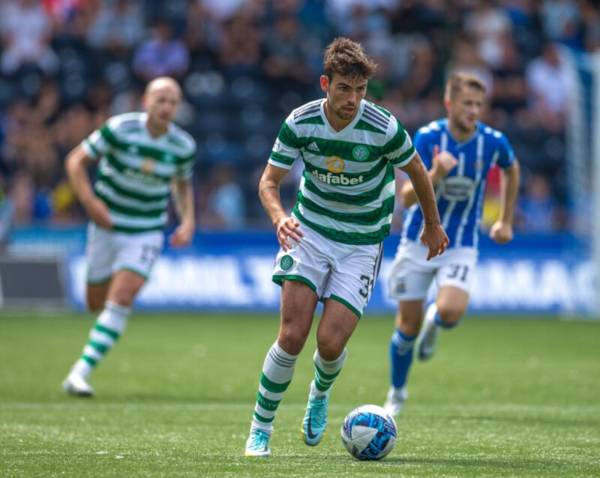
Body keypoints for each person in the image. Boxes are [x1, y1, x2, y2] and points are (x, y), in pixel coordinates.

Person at [244, 37, 448, 457]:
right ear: (325, 83)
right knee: (292, 334)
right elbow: (268, 182)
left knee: (330, 344)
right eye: (344, 88)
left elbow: (418, 171)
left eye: (360, 90)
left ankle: (319, 393)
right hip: (310, 231)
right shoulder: (299, 123)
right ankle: (260, 429)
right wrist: (280, 217)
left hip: (361, 242)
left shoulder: (383, 126)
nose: (353, 99)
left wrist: (431, 223)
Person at [383, 72, 520, 416]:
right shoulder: (428, 138)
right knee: (406, 328)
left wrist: (505, 219)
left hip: (460, 244)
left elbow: (511, 168)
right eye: (466, 104)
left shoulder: (492, 141)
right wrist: (436, 174)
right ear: (449, 104)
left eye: (478, 104)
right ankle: (397, 393)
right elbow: (407, 197)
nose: (473, 110)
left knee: (450, 311)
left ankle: (436, 322)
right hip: (417, 244)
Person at [62, 77, 196, 397]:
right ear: (145, 102)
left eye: (173, 102)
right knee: (96, 302)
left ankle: (79, 373)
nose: (166, 107)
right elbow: (75, 161)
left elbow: (181, 184)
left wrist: (188, 221)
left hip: (147, 230)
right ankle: (90, 353)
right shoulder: (119, 129)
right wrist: (90, 203)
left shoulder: (183, 146)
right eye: (160, 100)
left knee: (122, 297)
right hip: (106, 225)